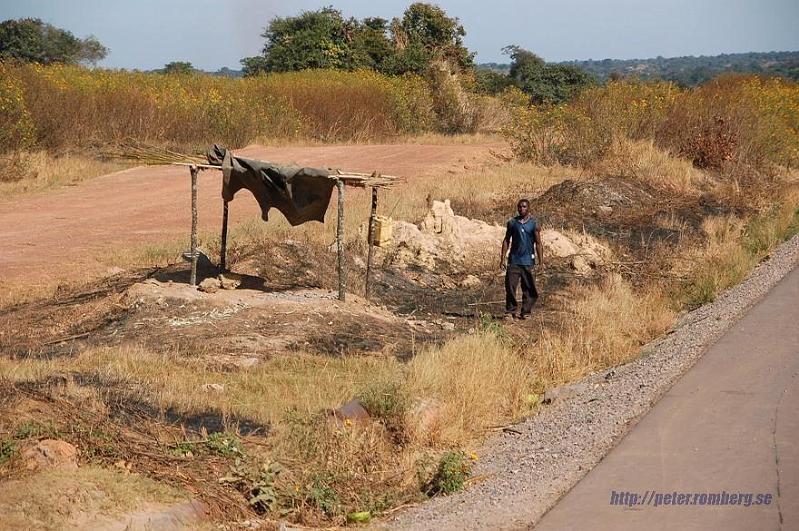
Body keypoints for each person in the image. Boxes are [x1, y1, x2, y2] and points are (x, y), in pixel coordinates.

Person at [500, 198, 543, 319]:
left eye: (524, 207)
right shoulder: (512, 223)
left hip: (528, 261)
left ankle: (526, 312)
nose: (521, 209)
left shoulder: (533, 224)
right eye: (519, 207)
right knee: (510, 287)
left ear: (529, 208)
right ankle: (510, 311)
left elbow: (538, 243)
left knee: (529, 288)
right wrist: (502, 258)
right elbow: (506, 240)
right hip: (514, 260)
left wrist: (541, 262)